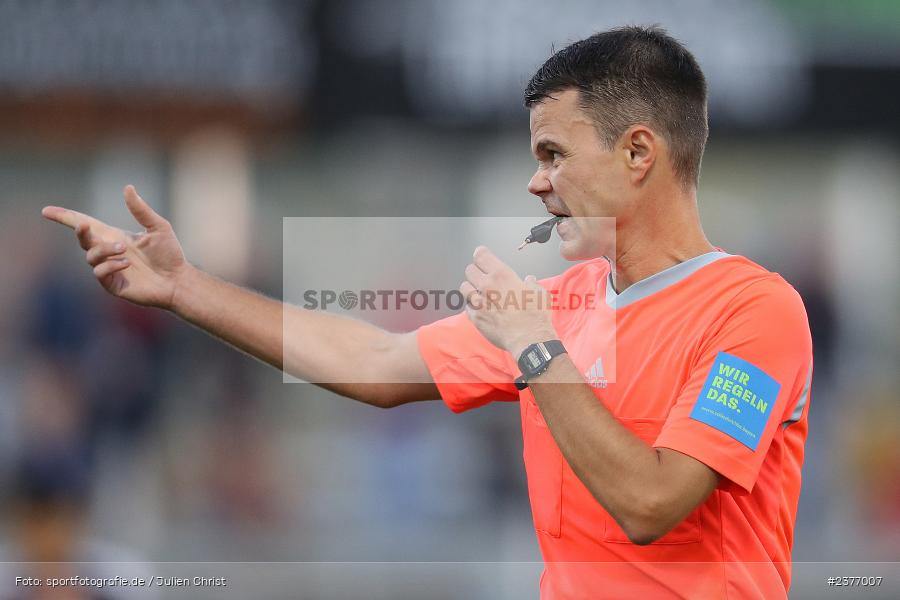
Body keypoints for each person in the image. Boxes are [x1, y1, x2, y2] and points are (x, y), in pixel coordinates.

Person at [43, 26, 812, 600]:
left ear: (638, 153)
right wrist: (186, 289)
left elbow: (652, 502)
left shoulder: (756, 312)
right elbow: (371, 363)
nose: (536, 184)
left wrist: (536, 350)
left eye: (552, 154)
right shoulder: (553, 309)